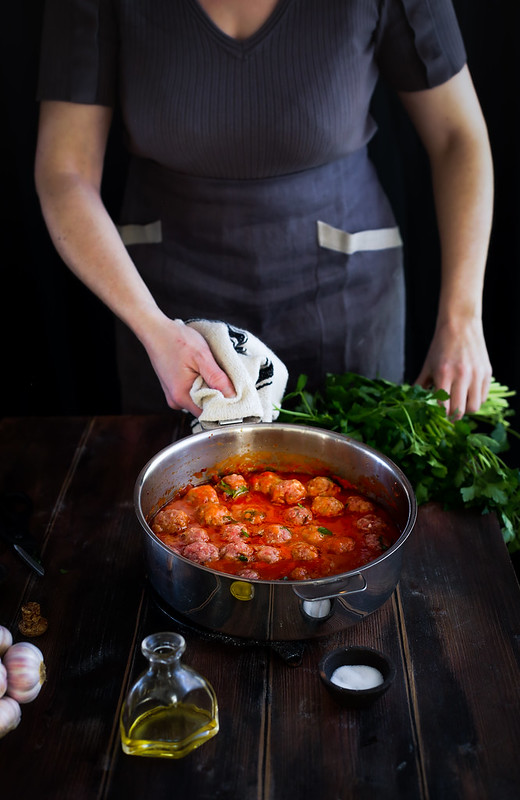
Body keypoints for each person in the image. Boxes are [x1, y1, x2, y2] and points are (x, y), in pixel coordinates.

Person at [34, 0, 493, 420]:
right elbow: (64, 172)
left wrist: (462, 317)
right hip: (163, 307)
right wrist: (153, 327)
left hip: (348, 304)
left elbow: (458, 136)